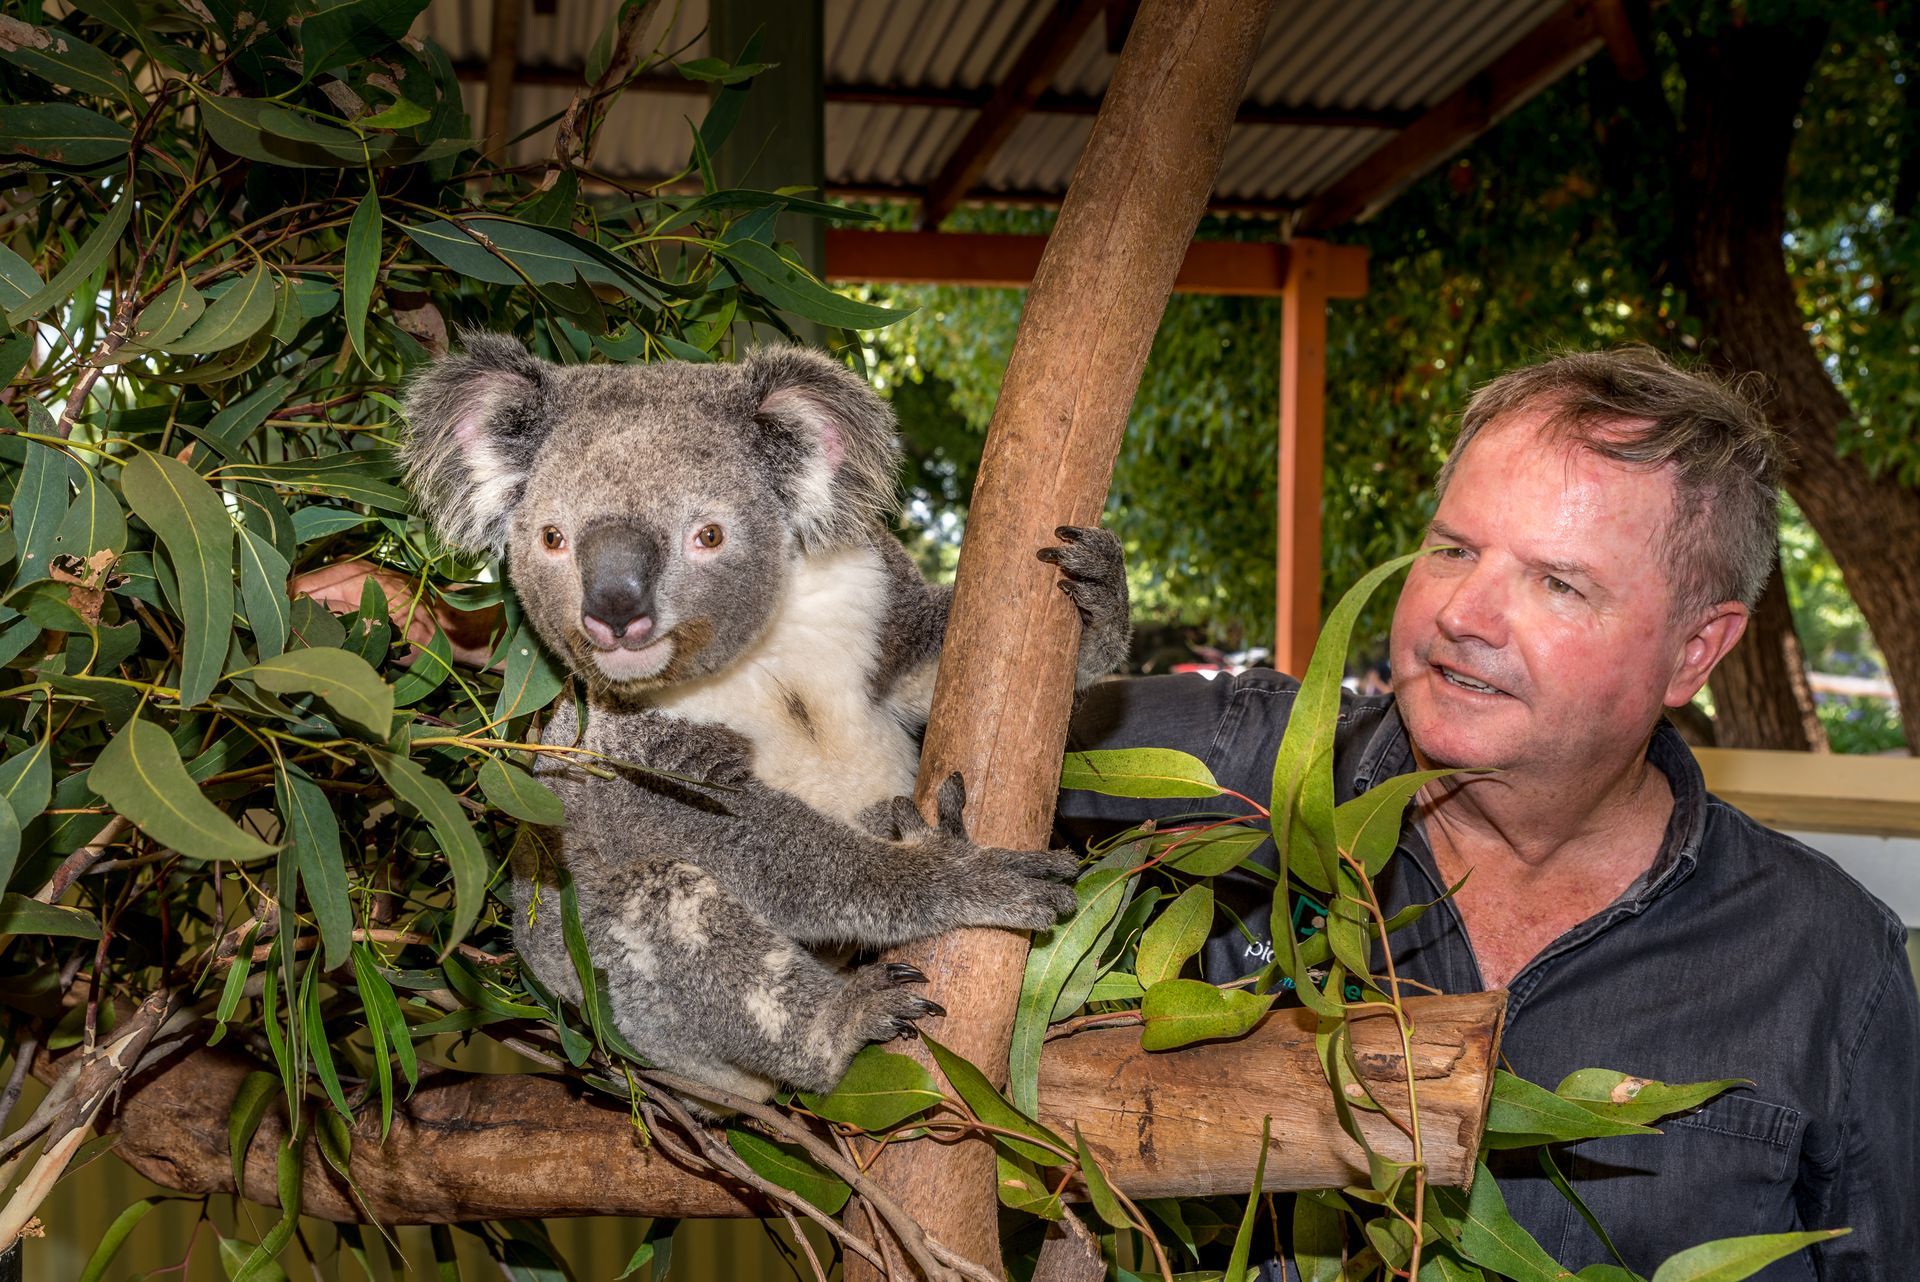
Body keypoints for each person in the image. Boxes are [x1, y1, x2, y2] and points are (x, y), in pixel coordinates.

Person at [1057, 348, 1920, 1278]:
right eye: (1453, 549)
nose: (1464, 613)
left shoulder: (1826, 964)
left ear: (1695, 651)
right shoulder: (1225, 770)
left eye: (1559, 582)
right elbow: (909, 743)